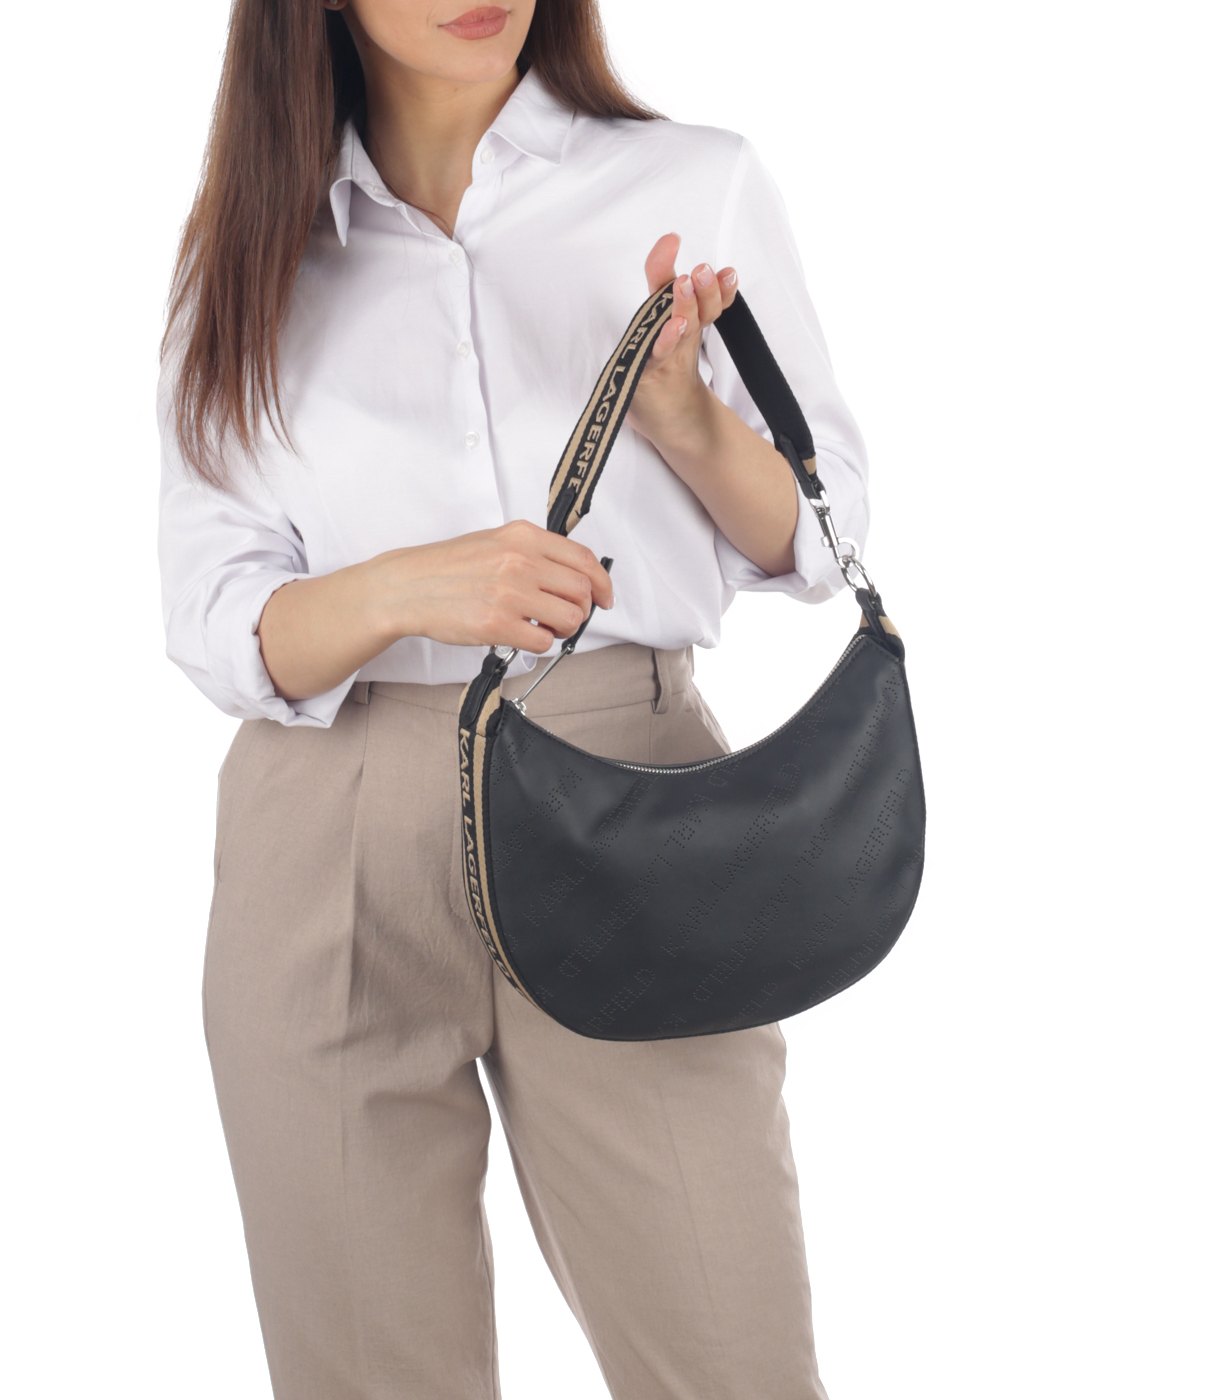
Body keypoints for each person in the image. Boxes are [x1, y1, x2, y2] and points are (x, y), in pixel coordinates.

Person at [158, 2, 868, 1396]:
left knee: (732, 1363)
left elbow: (822, 537)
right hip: (332, 827)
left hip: (628, 788)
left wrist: (686, 422)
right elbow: (212, 615)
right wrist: (406, 589)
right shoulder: (244, 251)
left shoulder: (689, 183)